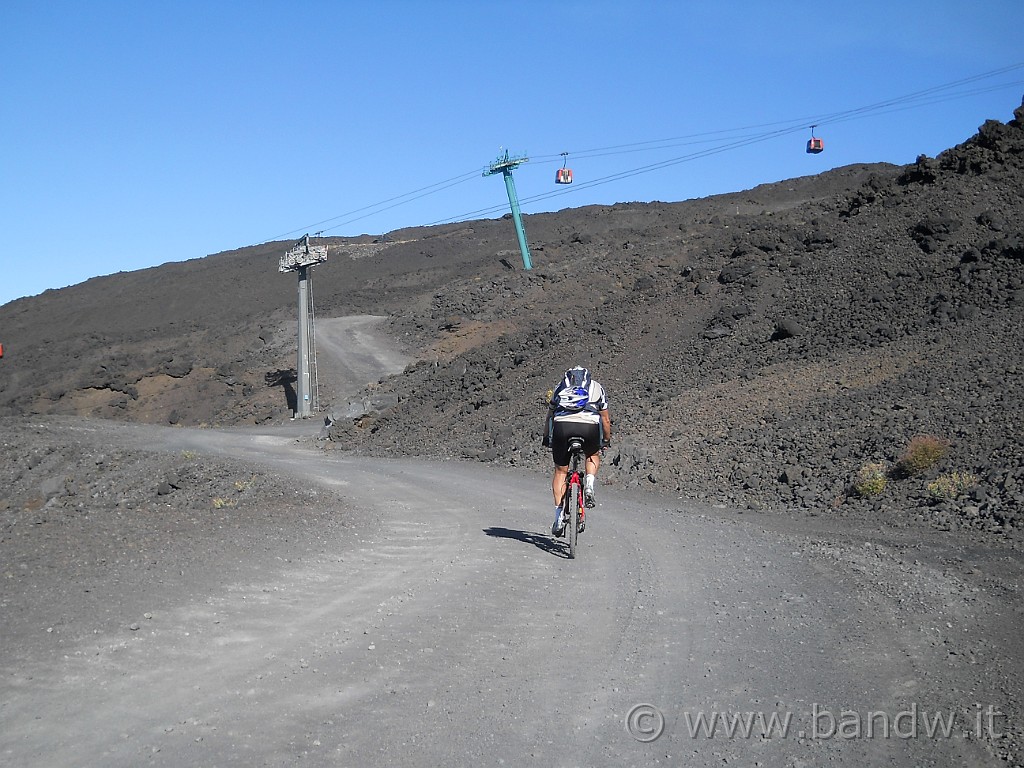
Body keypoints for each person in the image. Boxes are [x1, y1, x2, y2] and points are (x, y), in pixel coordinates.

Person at [543, 365, 612, 537]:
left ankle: (559, 517)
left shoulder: (560, 387)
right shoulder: (597, 387)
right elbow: (605, 419)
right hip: (589, 428)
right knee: (592, 455)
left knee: (560, 471)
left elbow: (550, 415)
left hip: (562, 427)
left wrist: (547, 437)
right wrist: (606, 440)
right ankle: (588, 484)